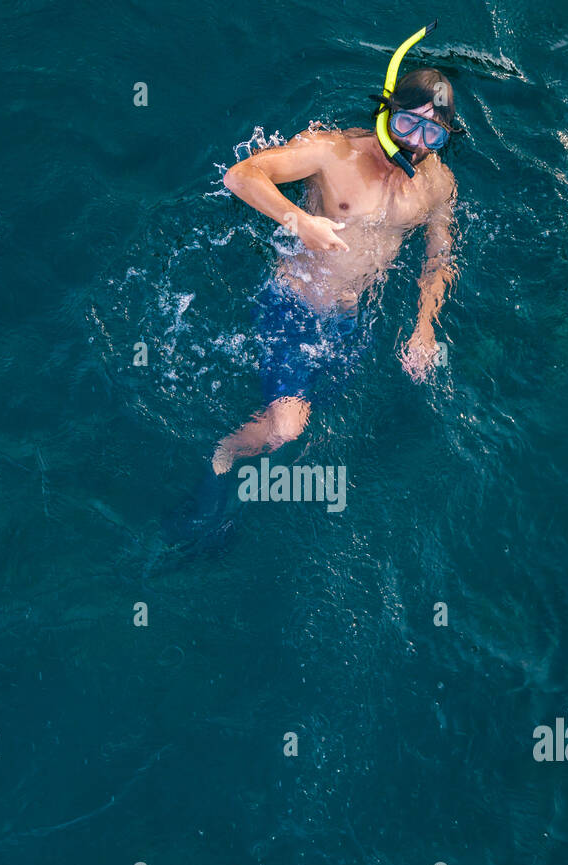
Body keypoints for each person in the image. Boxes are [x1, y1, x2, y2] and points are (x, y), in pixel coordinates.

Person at [168, 26, 459, 548]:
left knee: (299, 423)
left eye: (432, 134)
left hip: (352, 323)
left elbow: (440, 257)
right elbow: (243, 175)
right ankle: (223, 458)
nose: (416, 143)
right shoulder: (332, 152)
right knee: (287, 430)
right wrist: (299, 220)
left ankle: (243, 482)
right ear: (387, 111)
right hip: (293, 302)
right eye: (409, 123)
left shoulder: (437, 184)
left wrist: (423, 327)